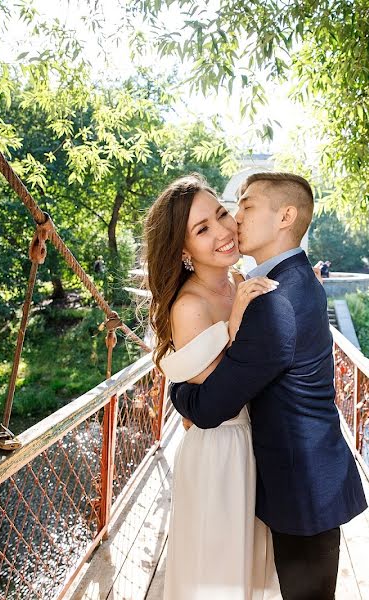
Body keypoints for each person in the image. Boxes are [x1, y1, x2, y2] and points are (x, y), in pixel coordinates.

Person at [171, 171, 367, 600]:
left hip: (302, 487)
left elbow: (205, 409)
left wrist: (176, 387)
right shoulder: (296, 279)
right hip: (299, 476)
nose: (235, 218)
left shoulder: (275, 300)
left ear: (286, 217)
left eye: (246, 206)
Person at [143, 174, 282, 600]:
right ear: (184, 251)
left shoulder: (240, 282)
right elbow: (217, 399)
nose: (223, 230)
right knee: (217, 577)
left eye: (221, 213)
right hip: (220, 456)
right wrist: (236, 322)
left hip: (256, 449)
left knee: (250, 575)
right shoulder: (190, 305)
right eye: (202, 229)